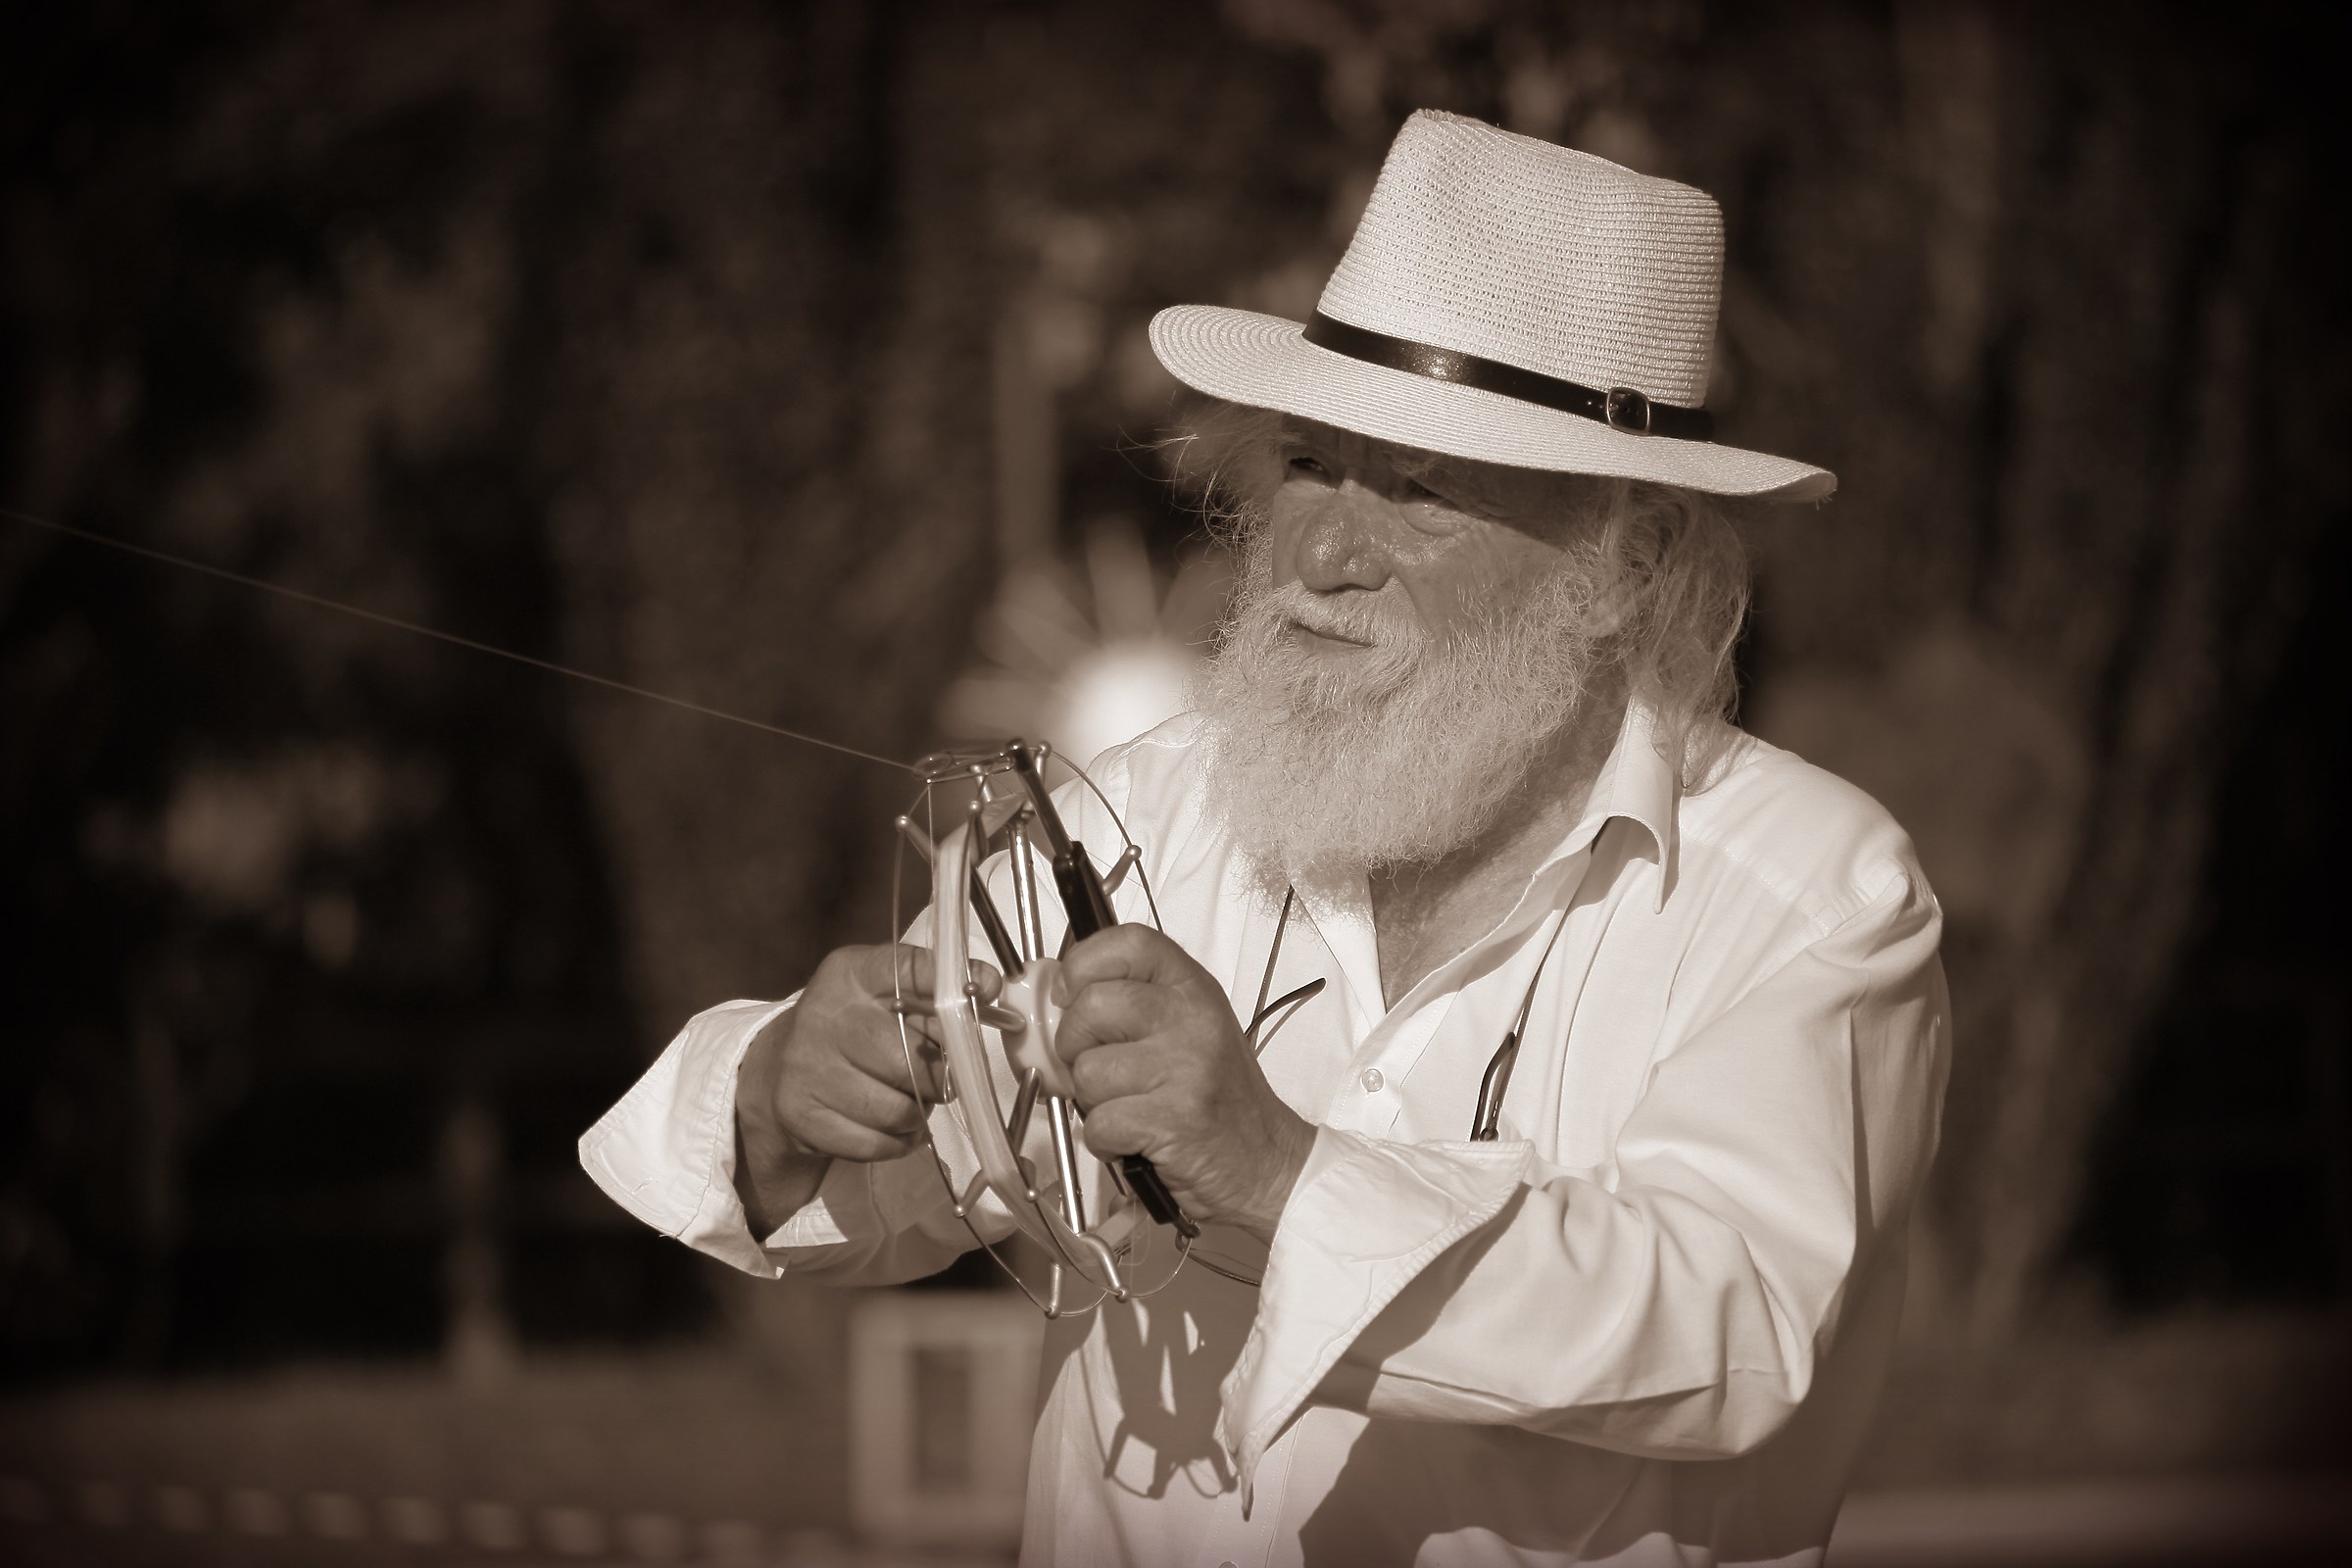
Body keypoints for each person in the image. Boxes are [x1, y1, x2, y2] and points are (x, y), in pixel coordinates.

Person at [581, 110, 1949, 1567]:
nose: (1315, 553)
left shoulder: (1814, 890)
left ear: (1633, 555)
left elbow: (1729, 1321)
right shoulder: (1157, 805)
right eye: (1311, 459)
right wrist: (789, 1091)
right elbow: (912, 1179)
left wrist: (1279, 1167)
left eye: (1420, 491)